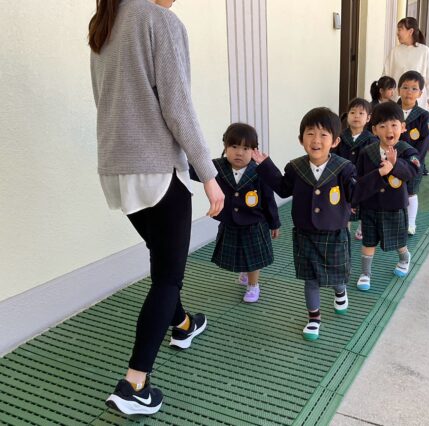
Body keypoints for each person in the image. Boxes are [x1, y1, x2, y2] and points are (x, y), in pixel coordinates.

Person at [89, 0, 225, 416]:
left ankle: (183, 325)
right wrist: (208, 174)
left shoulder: (103, 22)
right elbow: (178, 105)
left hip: (116, 169)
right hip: (156, 169)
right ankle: (134, 385)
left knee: (162, 257)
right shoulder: (158, 20)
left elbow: (102, 99)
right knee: (168, 277)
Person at [252, 108, 355, 341]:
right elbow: (283, 188)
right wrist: (266, 165)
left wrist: (378, 177)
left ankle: (340, 291)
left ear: (335, 141)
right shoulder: (295, 167)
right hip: (305, 234)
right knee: (311, 280)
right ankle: (314, 319)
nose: (316, 140)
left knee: (336, 275)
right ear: (301, 139)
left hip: (334, 233)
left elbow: (355, 193)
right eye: (310, 134)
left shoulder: (344, 168)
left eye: (323, 135)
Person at [190, 123, 280, 302]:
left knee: (254, 257)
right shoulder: (217, 166)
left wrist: (274, 223)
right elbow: (195, 170)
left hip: (255, 222)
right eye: (234, 146)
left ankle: (253, 285)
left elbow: (269, 199)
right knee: (238, 252)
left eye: (246, 148)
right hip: (230, 221)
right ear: (225, 147)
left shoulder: (260, 171)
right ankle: (245, 272)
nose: (239, 152)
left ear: (254, 150)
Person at [353, 102, 420, 292]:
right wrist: (355, 202)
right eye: (382, 126)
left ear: (403, 127)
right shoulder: (367, 152)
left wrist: (395, 165)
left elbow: (413, 171)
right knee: (368, 241)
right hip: (370, 206)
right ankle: (365, 273)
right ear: (374, 130)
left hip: (394, 206)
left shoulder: (407, 150)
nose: (389, 130)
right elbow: (359, 179)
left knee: (398, 241)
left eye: (394, 125)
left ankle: (404, 258)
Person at [333, 98, 379, 240]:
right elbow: (333, 157)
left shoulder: (372, 139)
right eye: (352, 112)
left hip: (363, 179)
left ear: (368, 118)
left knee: (364, 205)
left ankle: (362, 226)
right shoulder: (340, 137)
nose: (356, 116)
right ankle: (344, 230)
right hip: (343, 179)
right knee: (345, 205)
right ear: (347, 116)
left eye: (361, 113)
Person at [397, 71, 429, 236]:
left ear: (420, 93)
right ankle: (394, 221)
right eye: (405, 87)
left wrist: (415, 161)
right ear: (398, 90)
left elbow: (425, 141)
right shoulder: (391, 111)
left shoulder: (423, 115)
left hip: (414, 162)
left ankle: (411, 223)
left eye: (414, 88)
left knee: (411, 192)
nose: (408, 92)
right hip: (392, 160)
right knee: (392, 190)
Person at [383, 17, 429, 110]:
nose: (397, 33)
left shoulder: (424, 50)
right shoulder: (395, 51)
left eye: (400, 29)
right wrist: (385, 94)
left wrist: (428, 96)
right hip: (396, 99)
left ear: (410, 31)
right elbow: (386, 75)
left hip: (418, 100)